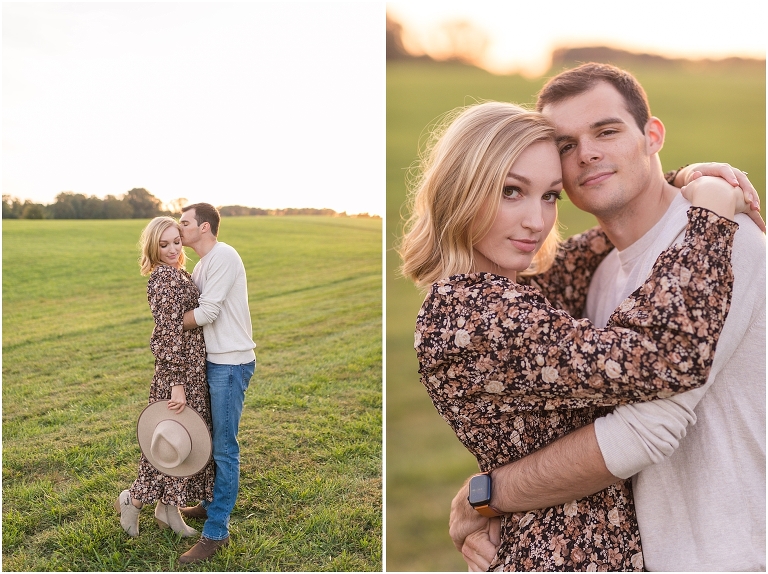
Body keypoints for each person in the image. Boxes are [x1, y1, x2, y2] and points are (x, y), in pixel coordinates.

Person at [398, 99, 755, 570]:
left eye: (550, 196)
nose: (536, 221)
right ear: (460, 191)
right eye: (511, 191)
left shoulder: (513, 283)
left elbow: (616, 232)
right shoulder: (472, 313)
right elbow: (661, 359)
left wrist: (680, 180)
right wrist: (711, 216)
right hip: (562, 556)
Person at [115, 216, 215, 538]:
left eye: (176, 241)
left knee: (181, 446)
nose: (173, 249)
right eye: (164, 244)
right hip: (178, 376)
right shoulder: (162, 279)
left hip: (192, 371)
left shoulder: (178, 273)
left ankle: (168, 509)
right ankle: (133, 500)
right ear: (152, 247)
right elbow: (168, 334)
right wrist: (177, 385)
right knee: (166, 443)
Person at [173, 203, 257, 565]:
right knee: (209, 440)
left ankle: (217, 531)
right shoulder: (202, 264)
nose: (179, 228)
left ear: (204, 227)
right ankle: (209, 505)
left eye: (184, 222)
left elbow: (207, 312)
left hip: (231, 363)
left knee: (224, 448)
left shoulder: (224, 256)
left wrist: (167, 323)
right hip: (215, 361)